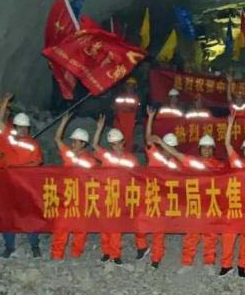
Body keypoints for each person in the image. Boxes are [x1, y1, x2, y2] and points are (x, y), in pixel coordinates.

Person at [158, 133, 225, 273]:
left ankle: (209, 262)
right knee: (191, 234)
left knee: (210, 235)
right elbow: (176, 154)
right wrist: (160, 141)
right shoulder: (193, 162)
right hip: (194, 203)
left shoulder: (220, 165)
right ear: (200, 149)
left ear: (213, 149)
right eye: (204, 147)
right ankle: (187, 263)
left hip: (210, 204)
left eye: (209, 147)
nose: (207, 150)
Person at [0, 93, 43, 258]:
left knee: (29, 215)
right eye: (20, 127)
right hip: (9, 184)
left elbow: (36, 163)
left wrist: (16, 168)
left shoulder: (33, 144)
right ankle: (9, 247)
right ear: (15, 127)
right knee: (8, 214)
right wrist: (5, 102)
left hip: (26, 185)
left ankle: (34, 245)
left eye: (26, 127)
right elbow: (0, 121)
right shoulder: (9, 137)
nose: (23, 130)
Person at [93, 114, 140, 265]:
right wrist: (99, 129)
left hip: (121, 197)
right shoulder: (107, 155)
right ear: (111, 145)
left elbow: (137, 178)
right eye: (113, 144)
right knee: (105, 225)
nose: (117, 146)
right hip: (106, 195)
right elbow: (95, 145)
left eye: (119, 143)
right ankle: (106, 252)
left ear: (123, 142)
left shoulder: (131, 159)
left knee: (116, 226)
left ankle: (115, 254)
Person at [51, 113, 97, 261]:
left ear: (83, 144)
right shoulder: (68, 154)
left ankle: (76, 253)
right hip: (66, 195)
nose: (73, 144)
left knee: (80, 227)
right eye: (73, 141)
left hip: (82, 197)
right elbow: (57, 139)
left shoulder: (90, 161)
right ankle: (57, 254)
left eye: (76, 141)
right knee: (61, 226)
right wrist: (63, 122)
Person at [221, 113, 245, 276]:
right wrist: (230, 124)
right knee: (228, 235)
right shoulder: (236, 161)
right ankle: (226, 265)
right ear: (243, 149)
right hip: (235, 204)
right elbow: (227, 144)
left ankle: (242, 265)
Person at [145, 106, 183, 268]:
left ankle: (156, 257)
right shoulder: (154, 154)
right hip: (150, 196)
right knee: (140, 225)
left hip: (164, 200)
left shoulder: (176, 164)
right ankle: (142, 247)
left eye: (172, 147)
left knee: (158, 230)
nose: (170, 150)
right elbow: (148, 138)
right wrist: (150, 118)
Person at [113, 77, 140, 152]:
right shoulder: (120, 96)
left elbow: (135, 109)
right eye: (129, 85)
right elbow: (114, 107)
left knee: (128, 138)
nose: (130, 88)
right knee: (117, 137)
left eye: (132, 86)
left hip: (129, 122)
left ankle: (128, 152)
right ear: (125, 86)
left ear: (135, 87)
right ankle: (117, 152)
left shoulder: (135, 98)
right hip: (119, 121)